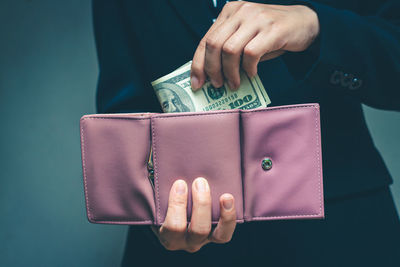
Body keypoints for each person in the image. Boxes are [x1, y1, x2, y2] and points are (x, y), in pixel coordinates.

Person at [92, 0, 400, 266]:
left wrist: (313, 26)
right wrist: (149, 204)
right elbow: (124, 108)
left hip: (340, 228)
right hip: (182, 240)